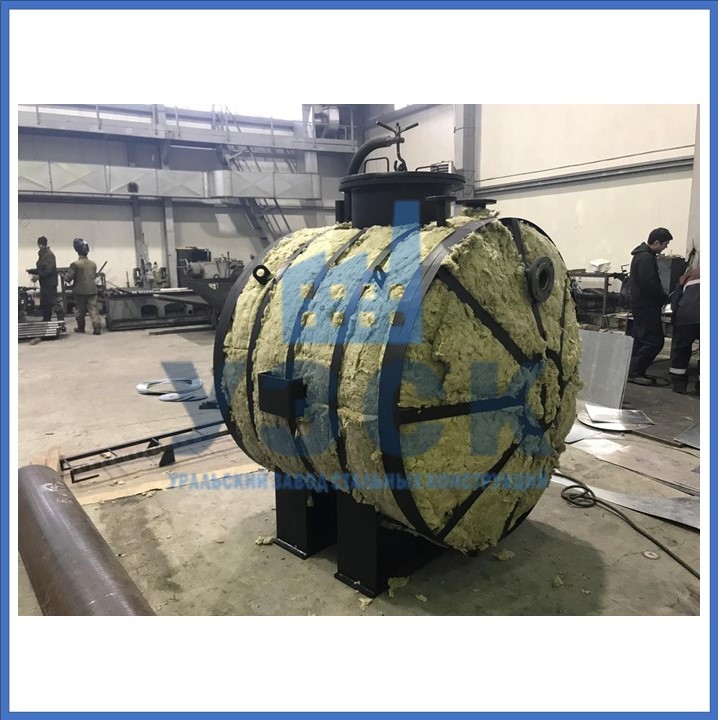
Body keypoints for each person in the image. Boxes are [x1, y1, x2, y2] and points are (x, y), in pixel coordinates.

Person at [627, 227, 672, 385]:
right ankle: (634, 372)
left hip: (641, 305)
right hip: (646, 306)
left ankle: (632, 371)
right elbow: (648, 284)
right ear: (657, 242)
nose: (665, 247)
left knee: (641, 340)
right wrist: (663, 298)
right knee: (654, 341)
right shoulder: (645, 258)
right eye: (665, 244)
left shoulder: (642, 256)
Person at [669, 266, 700, 394]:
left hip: (685, 316)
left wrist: (676, 316)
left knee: (681, 349)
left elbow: (674, 301)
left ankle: (678, 385)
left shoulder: (688, 275)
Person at [66, 238, 102, 335]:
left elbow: (68, 278)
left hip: (80, 291)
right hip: (92, 290)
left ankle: (81, 328)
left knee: (80, 311)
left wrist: (64, 277)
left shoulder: (75, 264)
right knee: (93, 309)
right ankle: (97, 328)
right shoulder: (93, 264)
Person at [35, 236, 64, 322]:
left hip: (50, 283)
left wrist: (39, 275)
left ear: (40, 244)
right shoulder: (42, 254)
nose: (39, 246)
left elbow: (49, 269)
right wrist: (34, 271)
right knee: (45, 302)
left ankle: (61, 320)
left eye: (40, 244)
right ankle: (46, 319)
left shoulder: (49, 255)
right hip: (44, 283)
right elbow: (43, 267)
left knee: (53, 301)